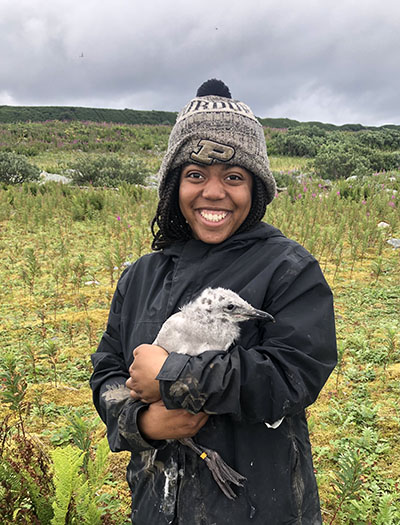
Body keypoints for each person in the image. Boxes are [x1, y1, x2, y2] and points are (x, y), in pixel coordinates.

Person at [90, 79, 337, 525]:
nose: (214, 192)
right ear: (174, 185)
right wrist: (142, 423)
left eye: (234, 177)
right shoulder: (142, 276)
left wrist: (173, 376)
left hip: (262, 504)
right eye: (195, 174)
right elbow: (109, 371)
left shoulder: (288, 269)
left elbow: (294, 375)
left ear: (256, 188)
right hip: (157, 504)